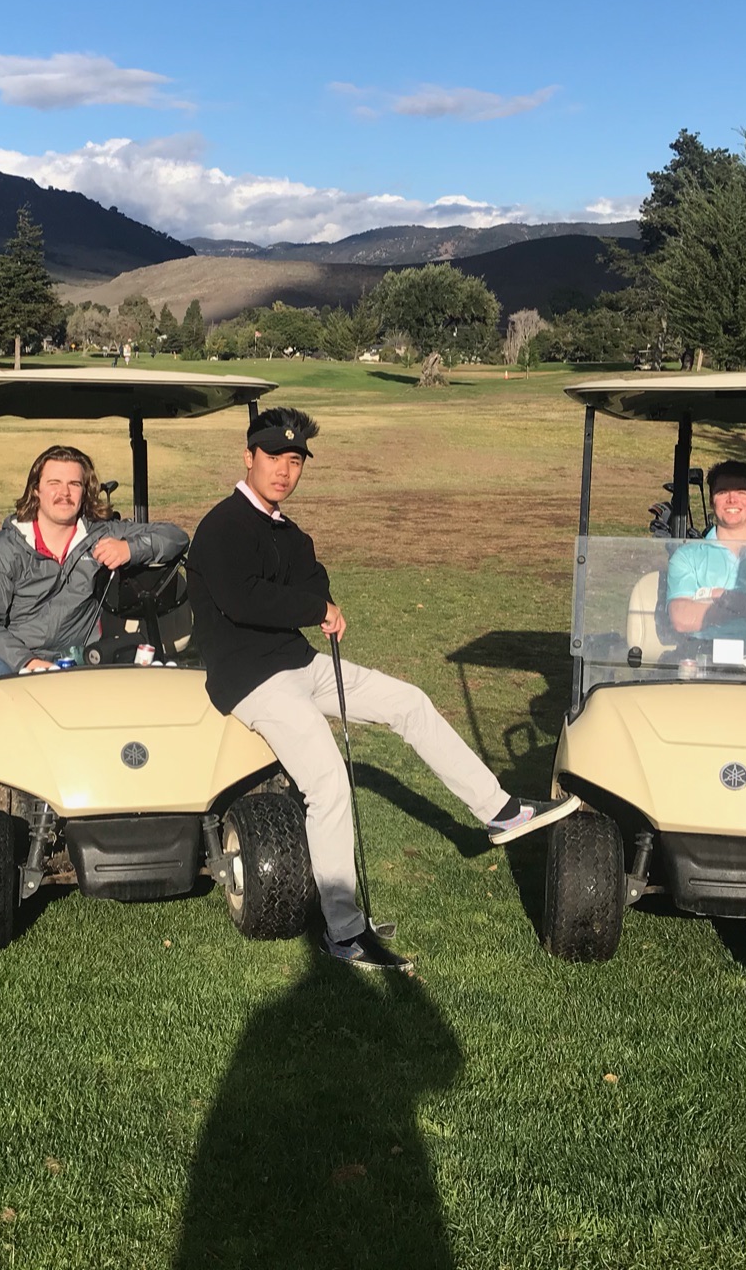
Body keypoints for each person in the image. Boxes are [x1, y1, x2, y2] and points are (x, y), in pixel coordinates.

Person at [188, 407, 578, 972]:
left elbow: (314, 581)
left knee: (408, 701)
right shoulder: (221, 525)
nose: (284, 470)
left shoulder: (289, 532)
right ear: (249, 457)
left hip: (298, 663)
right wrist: (312, 605)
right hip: (252, 681)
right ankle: (343, 933)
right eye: (273, 457)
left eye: (294, 461)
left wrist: (310, 601)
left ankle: (499, 811)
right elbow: (245, 600)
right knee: (328, 784)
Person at [0, 444, 188, 688]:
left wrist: (130, 549)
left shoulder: (100, 534)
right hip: (13, 658)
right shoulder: (5, 547)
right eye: (54, 483)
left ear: (85, 491)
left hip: (81, 659)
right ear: (36, 489)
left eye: (74, 484)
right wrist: (30, 663)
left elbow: (176, 537)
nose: (64, 493)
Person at [665, 460, 746, 641]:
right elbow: (681, 618)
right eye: (723, 492)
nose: (732, 499)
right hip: (703, 657)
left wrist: (722, 598)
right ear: (711, 501)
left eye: (741, 491)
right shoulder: (687, 556)